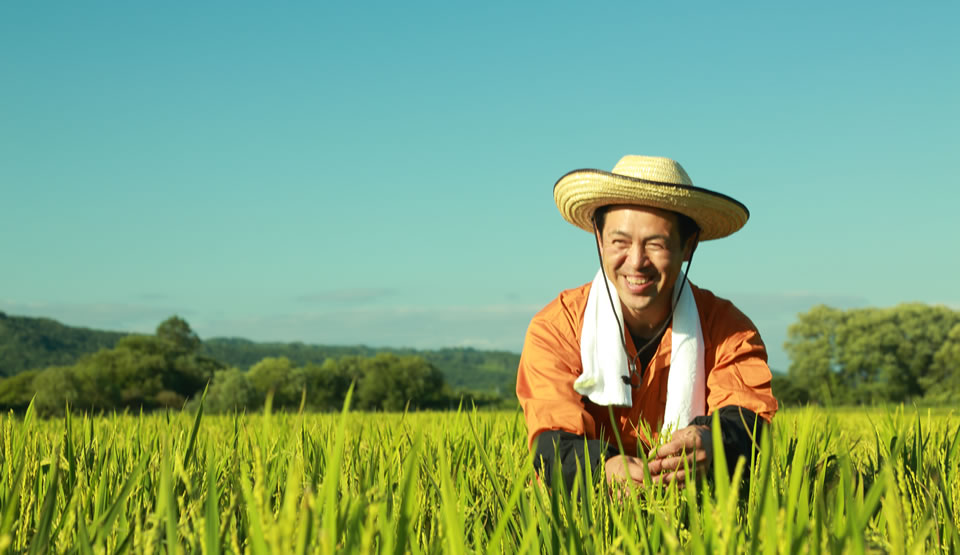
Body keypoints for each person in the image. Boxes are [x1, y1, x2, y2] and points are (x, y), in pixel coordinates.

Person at [516, 155, 778, 491]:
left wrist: (710, 443)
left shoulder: (729, 330)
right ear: (599, 238)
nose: (637, 262)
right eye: (619, 242)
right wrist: (605, 468)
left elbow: (749, 420)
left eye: (656, 243)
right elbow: (550, 441)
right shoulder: (558, 327)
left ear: (689, 245)